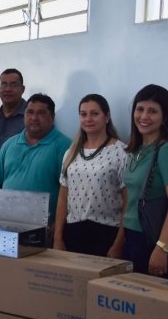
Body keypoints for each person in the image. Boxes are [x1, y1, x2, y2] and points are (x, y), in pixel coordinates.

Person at [122, 85, 168, 278]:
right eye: (140, 109)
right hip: (133, 237)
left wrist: (162, 248)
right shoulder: (138, 150)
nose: (144, 116)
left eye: (152, 111)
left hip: (153, 240)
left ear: (165, 117)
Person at [54, 94, 128, 257]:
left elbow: (128, 202)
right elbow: (63, 198)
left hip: (107, 233)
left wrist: (118, 243)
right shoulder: (71, 153)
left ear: (106, 117)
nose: (88, 119)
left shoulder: (121, 152)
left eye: (94, 113)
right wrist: (58, 237)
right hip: (73, 231)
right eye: (83, 114)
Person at [0, 94, 71, 225]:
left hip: (43, 228)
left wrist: (58, 225)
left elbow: (69, 192)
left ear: (52, 117)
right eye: (30, 112)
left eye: (41, 113)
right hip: (5, 224)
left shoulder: (65, 146)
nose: (34, 118)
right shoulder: (10, 144)